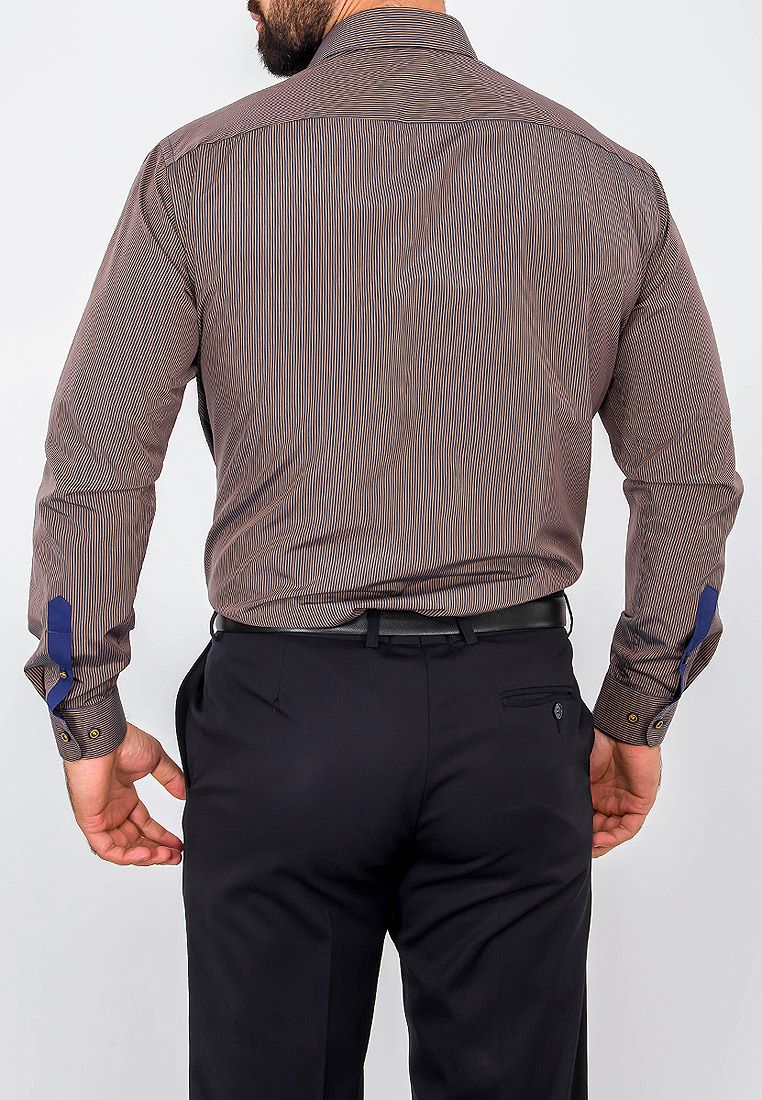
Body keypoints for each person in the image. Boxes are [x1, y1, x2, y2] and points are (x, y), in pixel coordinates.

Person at [23, 2, 744, 1096]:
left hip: (284, 721)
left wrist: (85, 710)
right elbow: (690, 477)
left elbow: (97, 464)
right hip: (515, 723)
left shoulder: (200, 170)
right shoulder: (606, 178)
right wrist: (639, 703)